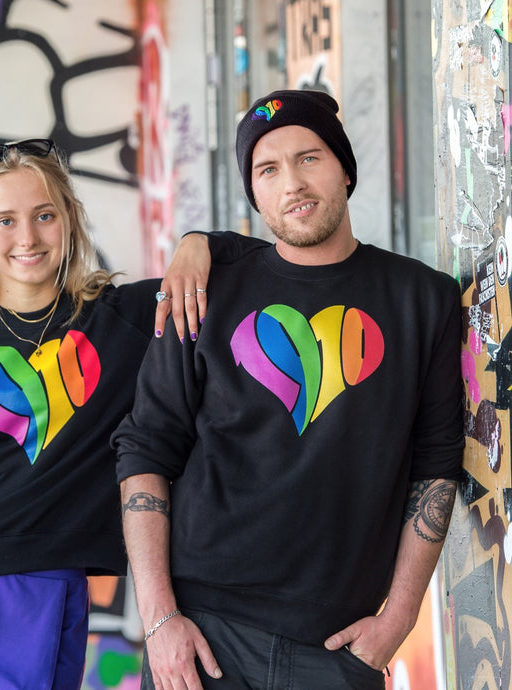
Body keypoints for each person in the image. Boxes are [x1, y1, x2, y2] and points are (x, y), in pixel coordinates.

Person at [0, 138, 247, 690]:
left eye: (43, 216)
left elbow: (254, 266)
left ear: (69, 221)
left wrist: (197, 243)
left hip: (56, 586)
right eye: (5, 221)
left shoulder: (121, 322)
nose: (28, 238)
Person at [112, 90, 463, 690]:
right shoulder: (204, 295)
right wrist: (158, 618)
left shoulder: (422, 299)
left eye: (310, 158)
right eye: (268, 170)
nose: (293, 184)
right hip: (202, 634)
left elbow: (436, 464)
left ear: (345, 168)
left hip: (337, 645)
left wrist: (399, 617)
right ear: (254, 193)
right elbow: (145, 451)